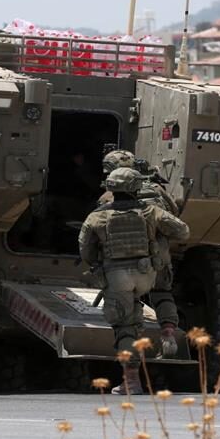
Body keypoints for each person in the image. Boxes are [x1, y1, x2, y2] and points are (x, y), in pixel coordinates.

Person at [79, 167, 190, 395]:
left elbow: (86, 251)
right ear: (136, 188)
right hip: (146, 274)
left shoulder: (96, 216)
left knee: (125, 327)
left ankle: (131, 382)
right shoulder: (150, 211)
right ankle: (167, 331)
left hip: (117, 278)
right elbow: (183, 232)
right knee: (160, 293)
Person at [98, 150, 182, 358]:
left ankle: (132, 352)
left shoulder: (108, 197)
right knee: (162, 293)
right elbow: (174, 214)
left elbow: (99, 228)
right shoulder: (156, 189)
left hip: (127, 259)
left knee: (129, 300)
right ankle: (168, 332)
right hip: (159, 253)